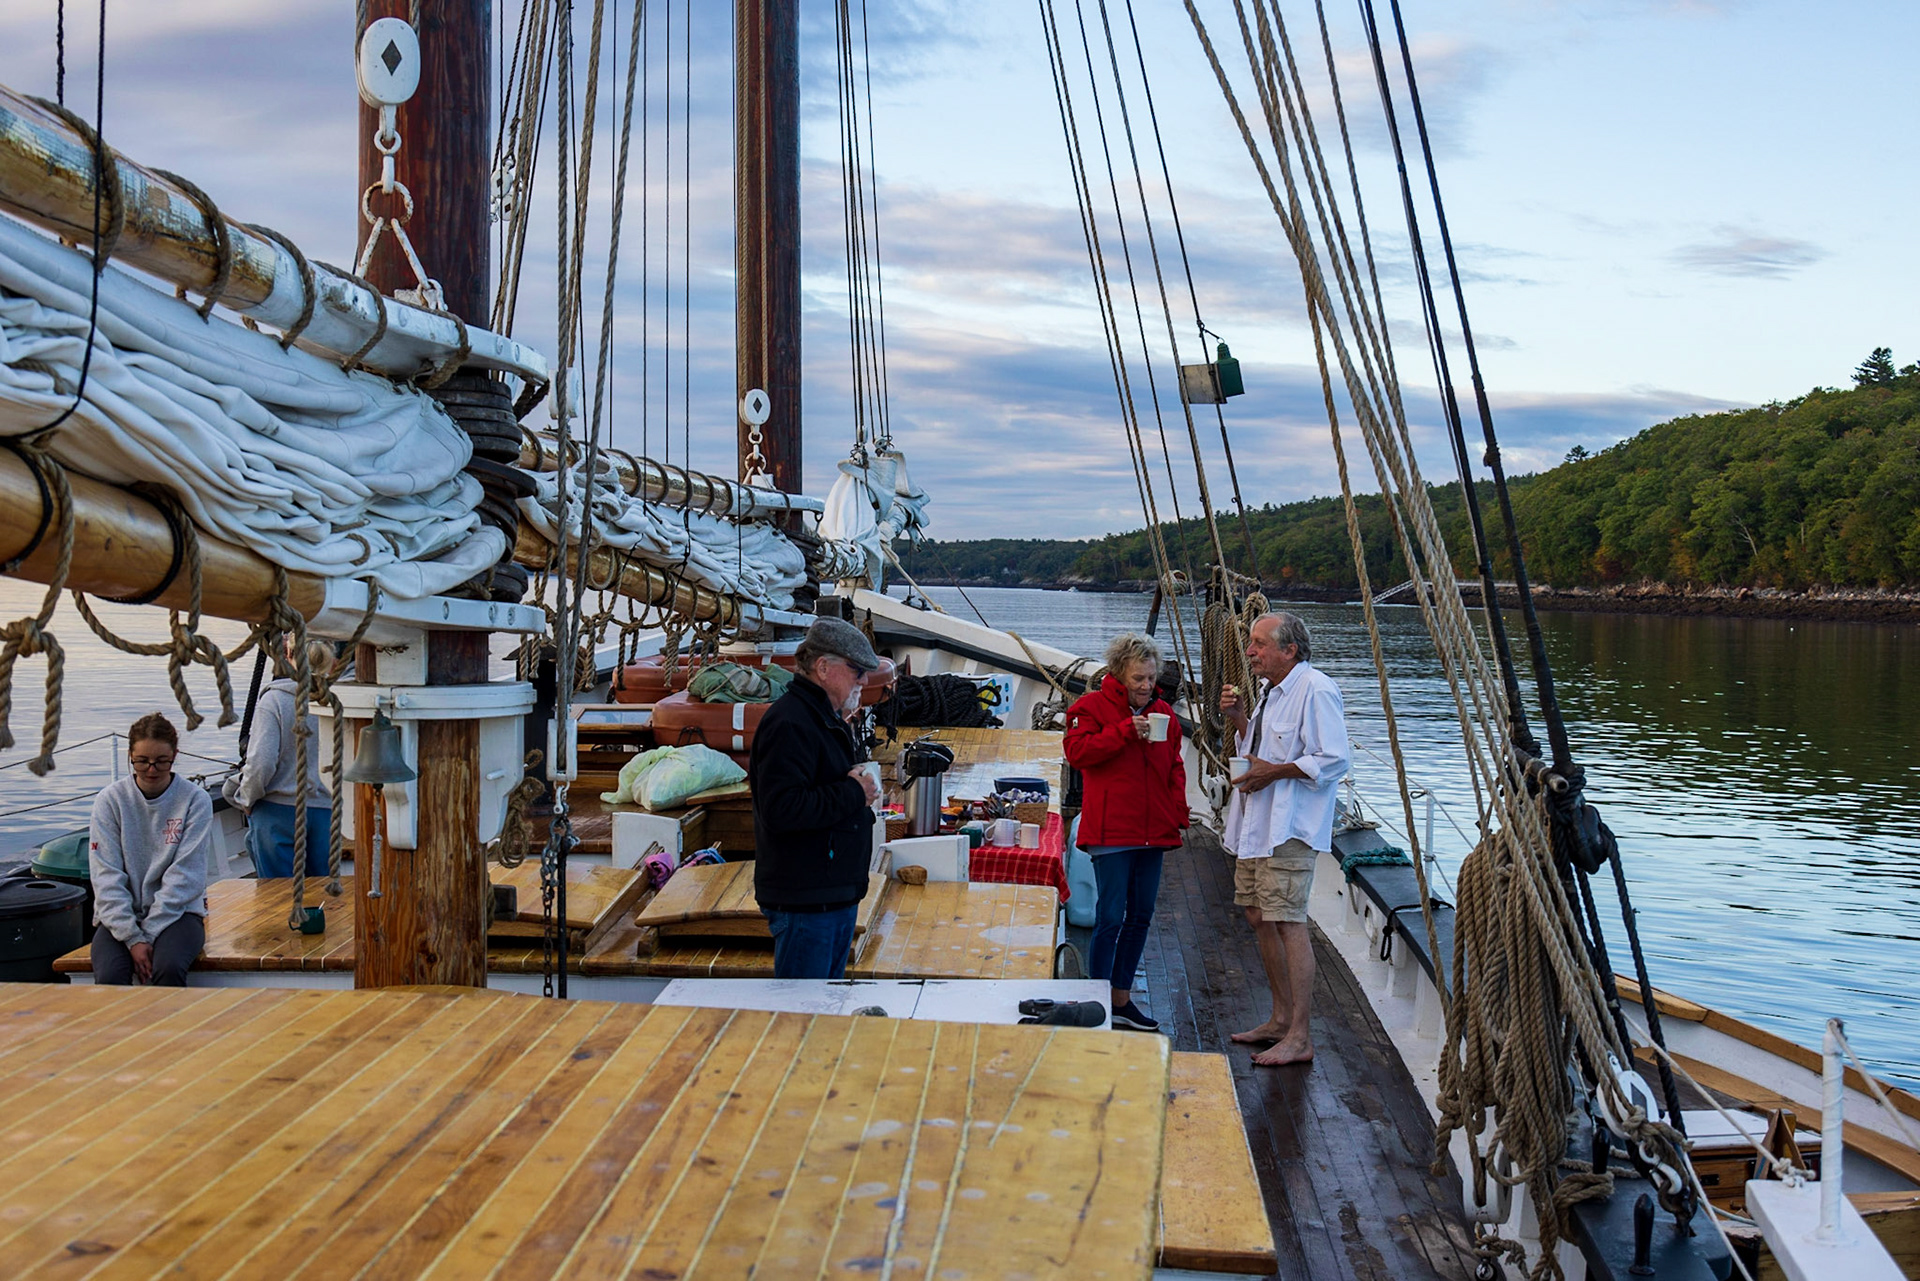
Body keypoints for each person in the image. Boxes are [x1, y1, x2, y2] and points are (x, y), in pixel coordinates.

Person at [1220, 612, 1350, 1067]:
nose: (1250, 651)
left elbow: (1334, 759)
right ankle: (1278, 1019)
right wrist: (1240, 719)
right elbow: (1258, 751)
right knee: (1259, 915)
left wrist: (1272, 772)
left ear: (1289, 650)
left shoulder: (1316, 690)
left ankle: (1299, 1036)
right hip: (1256, 823)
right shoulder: (1269, 692)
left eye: (1258, 644)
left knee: (1288, 920)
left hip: (1288, 827)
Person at [1063, 632, 1188, 1032]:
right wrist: (1123, 733)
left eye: (1151, 678)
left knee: (1141, 917)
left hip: (1153, 832)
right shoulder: (1091, 707)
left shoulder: (1164, 713)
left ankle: (1121, 999)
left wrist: (1178, 812)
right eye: (1139, 678)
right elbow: (1078, 754)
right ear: (1119, 674)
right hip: (1111, 832)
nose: (1146, 686)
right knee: (1111, 916)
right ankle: (1097, 999)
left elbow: (1174, 767)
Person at [748, 617, 882, 978]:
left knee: (822, 1015)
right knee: (803, 1021)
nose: (864, 681)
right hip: (807, 905)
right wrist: (854, 792)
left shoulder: (823, 718)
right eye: (857, 670)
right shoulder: (791, 724)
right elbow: (783, 809)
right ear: (823, 668)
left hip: (829, 897)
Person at [88, 712, 213, 985]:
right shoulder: (110, 801)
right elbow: (106, 876)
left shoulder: (195, 801)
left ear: (175, 755)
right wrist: (132, 937)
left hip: (179, 913)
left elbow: (186, 875)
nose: (152, 770)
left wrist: (149, 933)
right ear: (130, 755)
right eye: (142, 761)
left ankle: (170, 1027)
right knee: (110, 975)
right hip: (120, 915)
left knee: (167, 968)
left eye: (161, 762)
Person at [225, 639, 336, 879]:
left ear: (287, 654)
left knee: (277, 897)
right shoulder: (336, 702)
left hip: (277, 813)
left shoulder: (274, 701)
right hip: (324, 812)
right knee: (321, 894)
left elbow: (262, 763)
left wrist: (247, 798)